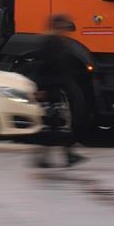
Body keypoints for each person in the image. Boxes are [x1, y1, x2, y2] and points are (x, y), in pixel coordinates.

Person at [34, 15, 87, 168]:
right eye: (62, 25)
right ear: (56, 25)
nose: (65, 28)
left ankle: (47, 157)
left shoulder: (59, 42)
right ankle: (64, 155)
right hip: (51, 89)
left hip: (57, 88)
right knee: (56, 124)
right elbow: (43, 68)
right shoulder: (50, 43)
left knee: (54, 124)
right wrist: (41, 89)